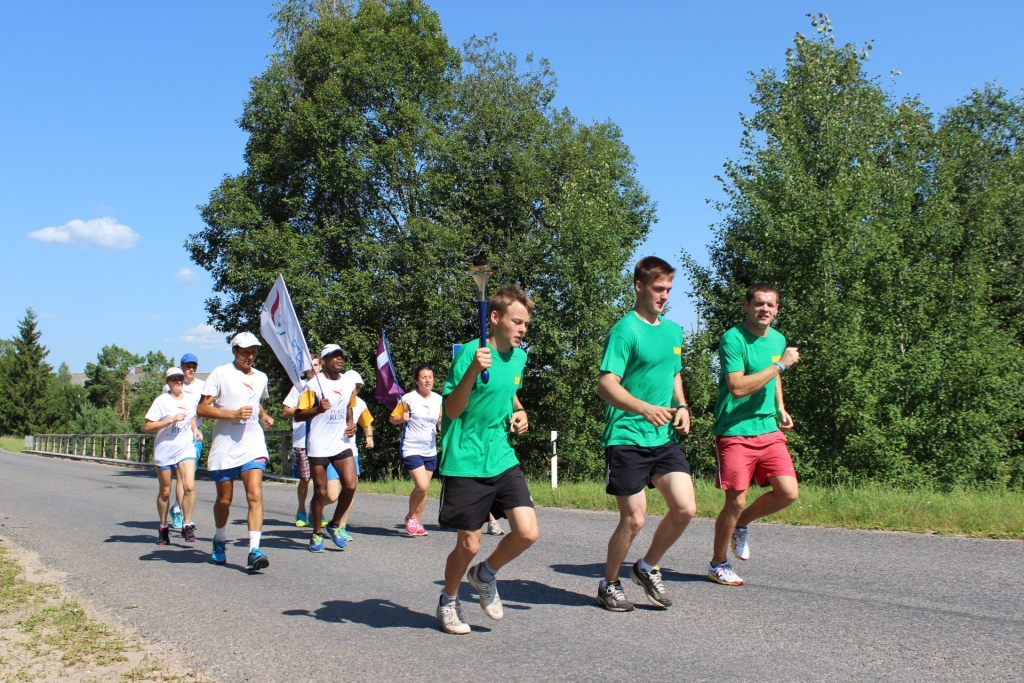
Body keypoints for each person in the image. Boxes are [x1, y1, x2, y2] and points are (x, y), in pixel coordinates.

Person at [435, 284, 538, 635]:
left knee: (527, 532)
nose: (523, 328)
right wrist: (470, 370)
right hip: (465, 458)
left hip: (500, 454)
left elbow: (508, 392)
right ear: (494, 318)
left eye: (526, 323)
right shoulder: (468, 353)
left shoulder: (520, 357)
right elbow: (451, 408)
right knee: (469, 543)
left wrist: (520, 411)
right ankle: (448, 601)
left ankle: (485, 574)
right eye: (517, 321)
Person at [595, 256, 696, 612]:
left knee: (685, 509)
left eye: (668, 289)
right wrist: (643, 408)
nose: (664, 295)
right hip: (627, 436)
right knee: (634, 518)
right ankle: (609, 584)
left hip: (663, 436)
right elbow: (606, 385)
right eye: (658, 288)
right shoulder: (626, 330)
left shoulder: (673, 331)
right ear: (639, 286)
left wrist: (681, 406)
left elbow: (673, 374)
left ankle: (646, 566)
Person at [707, 282, 801, 586]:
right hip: (735, 430)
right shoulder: (733, 339)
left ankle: (743, 523)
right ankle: (718, 564)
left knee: (788, 492)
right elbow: (737, 388)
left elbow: (773, 381)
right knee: (734, 501)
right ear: (747, 306)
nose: (765, 310)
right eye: (759, 304)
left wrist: (780, 408)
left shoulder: (777, 340)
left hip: (767, 429)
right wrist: (781, 367)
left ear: (776, 310)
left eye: (771, 305)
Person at [197, 332, 275, 571]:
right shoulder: (221, 373)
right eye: (245, 352)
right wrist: (231, 414)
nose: (249, 356)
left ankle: (254, 549)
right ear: (235, 352)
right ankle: (220, 539)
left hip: (252, 443)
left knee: (255, 494)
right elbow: (201, 409)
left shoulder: (261, 377)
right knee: (224, 500)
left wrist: (263, 415)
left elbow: (256, 400)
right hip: (225, 446)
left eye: (253, 352)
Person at [293, 344, 356, 553]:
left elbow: (349, 406)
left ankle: (334, 525)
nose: (339, 359)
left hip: (340, 443)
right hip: (318, 444)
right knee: (320, 491)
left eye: (341, 356)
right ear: (325, 360)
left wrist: (351, 424)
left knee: (351, 485)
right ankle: (317, 533)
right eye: (334, 357)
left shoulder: (348, 384)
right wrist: (318, 409)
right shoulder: (313, 385)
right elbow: (298, 414)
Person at [144, 367, 199, 545]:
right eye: (174, 379)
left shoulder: (190, 399)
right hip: (165, 449)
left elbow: (191, 416)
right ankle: (163, 527)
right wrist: (171, 420)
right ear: (168, 382)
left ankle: (187, 524)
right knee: (165, 491)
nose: (178, 382)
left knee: (189, 486)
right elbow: (148, 426)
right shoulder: (161, 401)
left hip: (185, 448)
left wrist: (196, 430)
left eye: (180, 379)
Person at [390, 364, 442, 537]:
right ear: (416, 381)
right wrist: (401, 418)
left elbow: (440, 421)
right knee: (422, 485)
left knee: (424, 489)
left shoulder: (439, 399)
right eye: (423, 377)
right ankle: (411, 517)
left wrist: (442, 424)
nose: (427, 380)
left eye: (430, 377)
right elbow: (393, 419)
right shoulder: (408, 399)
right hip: (411, 448)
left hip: (430, 449)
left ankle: (416, 522)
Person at [164, 353, 203, 530]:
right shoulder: (171, 386)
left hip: (194, 434)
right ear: (181, 367)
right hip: (177, 435)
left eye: (194, 366)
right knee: (180, 476)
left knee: (190, 479)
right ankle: (179, 511)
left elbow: (206, 407)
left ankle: (180, 510)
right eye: (188, 366)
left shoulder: (202, 386)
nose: (191, 369)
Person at [333, 369, 373, 539]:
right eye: (353, 386)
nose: (356, 390)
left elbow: (366, 423)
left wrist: (369, 437)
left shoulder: (361, 404)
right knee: (331, 494)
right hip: (331, 450)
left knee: (351, 489)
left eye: (358, 387)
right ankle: (316, 509)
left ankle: (341, 527)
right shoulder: (335, 399)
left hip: (351, 451)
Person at [282, 355, 321, 527]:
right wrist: (305, 410)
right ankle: (301, 510)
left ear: (321, 366)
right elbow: (286, 411)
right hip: (302, 440)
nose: (313, 369)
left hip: (322, 440)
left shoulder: (326, 386)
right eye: (310, 366)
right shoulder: (299, 387)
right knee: (305, 478)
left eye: (316, 365)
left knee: (322, 480)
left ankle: (317, 511)